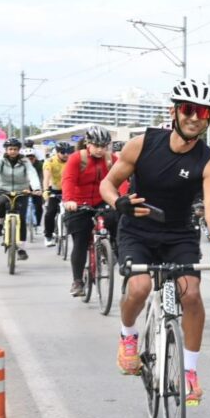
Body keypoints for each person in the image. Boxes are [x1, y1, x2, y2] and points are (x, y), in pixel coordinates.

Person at [99, 78, 210, 406]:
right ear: (174, 112)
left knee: (191, 294)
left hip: (178, 234)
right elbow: (108, 183)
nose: (194, 117)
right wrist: (117, 202)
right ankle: (128, 335)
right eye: (188, 109)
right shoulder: (142, 144)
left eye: (202, 112)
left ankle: (189, 373)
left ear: (208, 119)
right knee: (139, 288)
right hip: (137, 230)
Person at [62, 127, 121, 296]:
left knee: (119, 220)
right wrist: (69, 200)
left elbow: (121, 180)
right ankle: (78, 281)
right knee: (80, 241)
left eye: (104, 146)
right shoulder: (76, 158)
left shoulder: (112, 159)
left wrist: (120, 200)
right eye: (96, 146)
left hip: (103, 200)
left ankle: (113, 251)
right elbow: (68, 180)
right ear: (88, 143)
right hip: (79, 203)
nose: (100, 150)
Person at [0, 138, 41, 260]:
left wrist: (36, 188)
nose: (13, 151)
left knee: (22, 219)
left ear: (19, 150)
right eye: (10, 149)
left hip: (21, 190)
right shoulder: (1, 161)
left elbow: (32, 174)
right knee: (2, 203)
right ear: (6, 150)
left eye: (15, 149)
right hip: (3, 189)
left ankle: (22, 249)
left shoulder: (25, 161)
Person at [43, 142, 74, 246]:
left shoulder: (72, 161)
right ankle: (48, 236)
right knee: (50, 213)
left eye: (68, 152)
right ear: (57, 152)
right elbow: (46, 178)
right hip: (55, 190)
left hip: (68, 189)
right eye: (62, 152)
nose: (66, 154)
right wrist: (46, 190)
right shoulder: (50, 161)